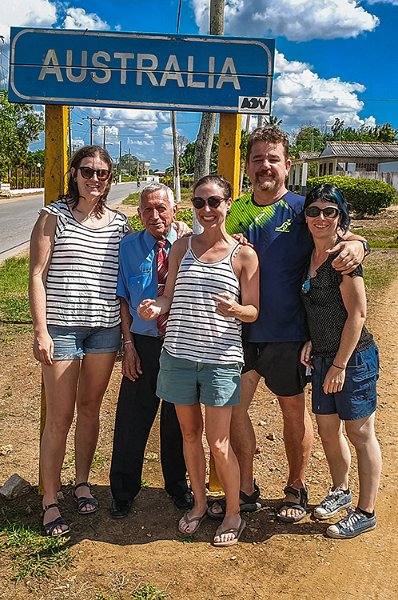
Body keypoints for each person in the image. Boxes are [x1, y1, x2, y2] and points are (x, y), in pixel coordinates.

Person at [210, 126, 370, 523]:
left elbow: (343, 234)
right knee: (232, 411)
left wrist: (357, 244)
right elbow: (206, 238)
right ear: (247, 166)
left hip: (291, 336)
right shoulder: (237, 210)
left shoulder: (303, 209)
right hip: (241, 333)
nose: (266, 166)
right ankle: (245, 487)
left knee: (293, 416)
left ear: (288, 164)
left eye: (273, 158)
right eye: (258, 159)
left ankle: (296, 487)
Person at [138, 175, 259, 547]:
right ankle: (199, 505)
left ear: (227, 204)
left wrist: (235, 308)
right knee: (190, 436)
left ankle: (235, 512)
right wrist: (153, 306)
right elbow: (169, 297)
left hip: (220, 361)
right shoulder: (181, 247)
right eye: (200, 203)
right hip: (177, 356)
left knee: (218, 442)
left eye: (214, 202)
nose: (207, 210)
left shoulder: (244, 255)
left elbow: (253, 311)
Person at [29, 145, 130, 537]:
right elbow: (37, 275)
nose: (94, 179)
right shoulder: (52, 217)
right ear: (74, 173)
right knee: (59, 417)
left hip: (103, 331)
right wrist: (41, 330)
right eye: (87, 171)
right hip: (63, 329)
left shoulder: (119, 224)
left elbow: (140, 261)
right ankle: (50, 500)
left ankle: (82, 482)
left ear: (109, 178)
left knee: (90, 410)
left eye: (102, 173)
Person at [299, 183, 381, 538]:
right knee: (327, 430)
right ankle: (340, 489)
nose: (320, 217)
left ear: (340, 216)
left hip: (352, 358)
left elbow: (357, 315)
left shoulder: (344, 259)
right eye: (314, 210)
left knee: (360, 432)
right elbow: (318, 308)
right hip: (321, 356)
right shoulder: (310, 254)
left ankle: (365, 511)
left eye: (329, 211)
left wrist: (340, 365)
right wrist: (312, 341)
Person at [109, 183, 192, 519]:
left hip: (181, 342)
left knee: (178, 420)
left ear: (174, 210)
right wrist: (127, 345)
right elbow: (124, 301)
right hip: (142, 344)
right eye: (147, 210)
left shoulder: (192, 244)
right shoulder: (127, 247)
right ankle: (123, 491)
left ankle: (177, 486)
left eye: (161, 208)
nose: (155, 215)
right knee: (132, 418)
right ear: (139, 213)